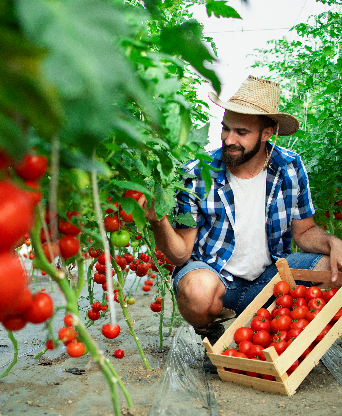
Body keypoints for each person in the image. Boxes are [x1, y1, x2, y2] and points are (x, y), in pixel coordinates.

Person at [140, 75, 342, 346]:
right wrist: (158, 221)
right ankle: (216, 334)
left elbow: (304, 232)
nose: (228, 139)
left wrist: (333, 242)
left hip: (273, 281)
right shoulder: (197, 173)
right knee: (196, 289)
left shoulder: (289, 167)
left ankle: (282, 332)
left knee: (336, 268)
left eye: (241, 132)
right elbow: (181, 255)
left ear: (267, 133)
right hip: (219, 284)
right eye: (226, 129)